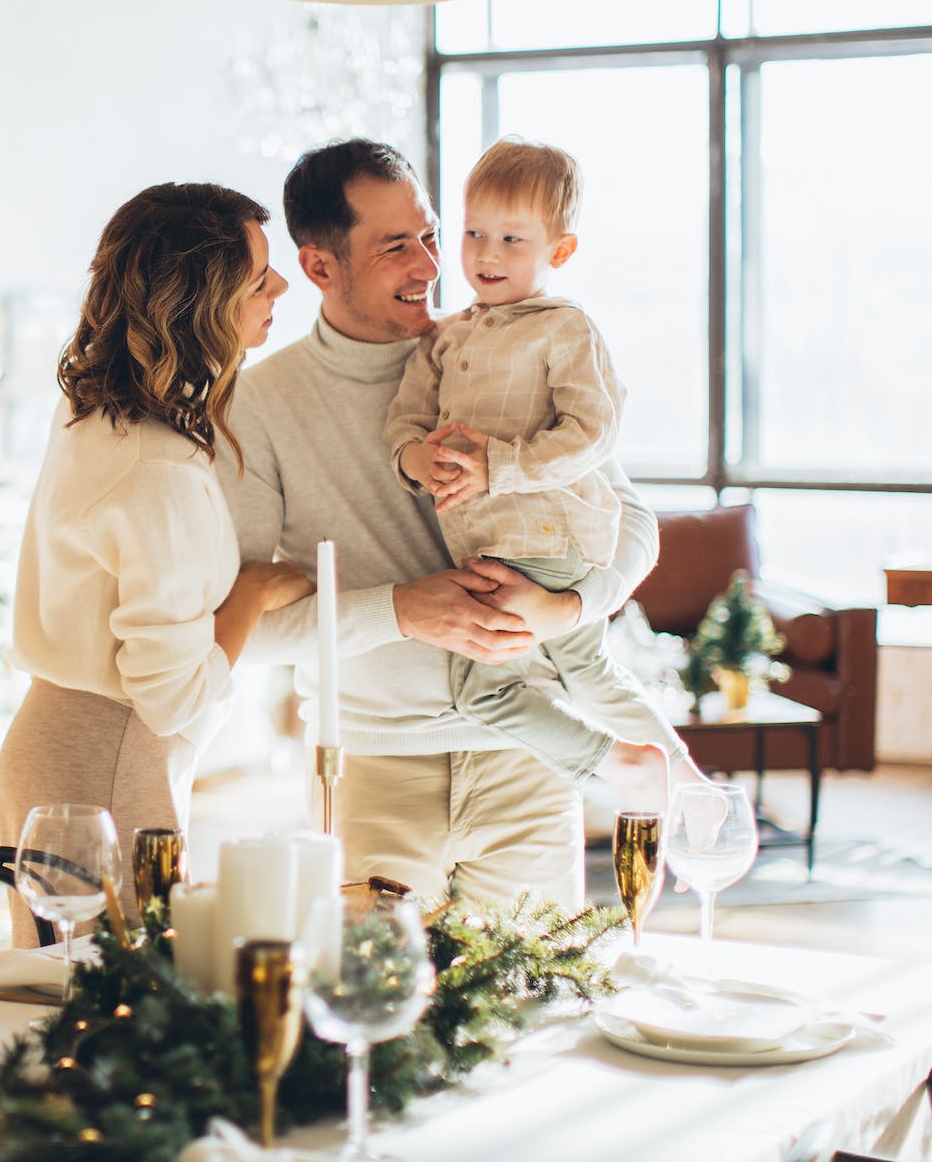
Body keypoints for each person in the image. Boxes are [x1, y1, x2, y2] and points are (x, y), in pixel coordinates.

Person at [219, 139, 658, 906]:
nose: (431, 265)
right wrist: (400, 612)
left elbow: (635, 520)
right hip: (369, 767)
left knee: (543, 1014)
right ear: (320, 267)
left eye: (429, 235)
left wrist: (571, 606)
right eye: (396, 247)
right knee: (366, 1017)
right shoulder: (259, 404)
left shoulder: (503, 346)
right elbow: (242, 631)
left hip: (528, 755)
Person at [1, 182, 314, 942]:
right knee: (125, 1025)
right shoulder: (157, 465)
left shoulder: (94, 414)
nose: (282, 285)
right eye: (258, 277)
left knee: (78, 1014)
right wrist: (253, 593)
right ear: (200, 301)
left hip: (62, 748)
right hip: (109, 764)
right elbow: (173, 698)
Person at [384, 137, 705, 797]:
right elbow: (404, 424)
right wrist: (421, 461)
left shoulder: (564, 329)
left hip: (549, 539)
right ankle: (680, 779)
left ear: (559, 252)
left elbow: (592, 433)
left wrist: (496, 468)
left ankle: (623, 767)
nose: (486, 254)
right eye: (473, 233)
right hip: (492, 544)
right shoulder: (445, 337)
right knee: (588, 671)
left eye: (511, 239)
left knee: (484, 692)